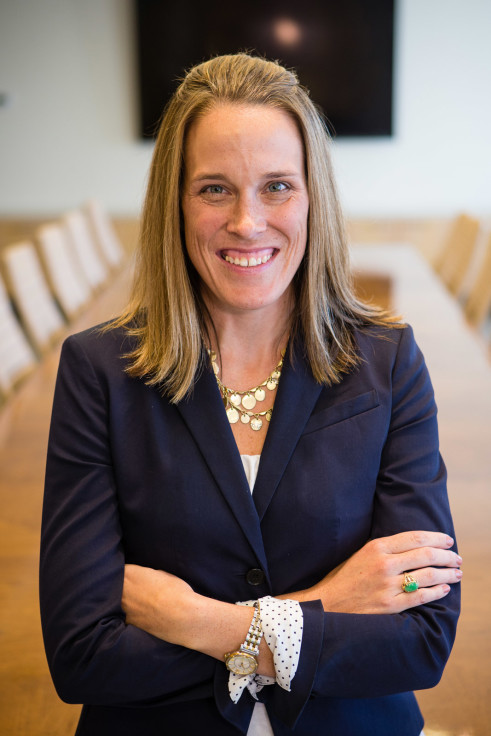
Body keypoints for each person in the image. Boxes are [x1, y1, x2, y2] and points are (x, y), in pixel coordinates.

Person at [40, 53, 461, 736]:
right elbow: (82, 656)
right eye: (213, 189)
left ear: (310, 197)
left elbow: (421, 641)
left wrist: (195, 620)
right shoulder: (98, 372)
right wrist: (328, 604)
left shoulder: (387, 364)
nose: (246, 221)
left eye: (275, 187)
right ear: (173, 203)